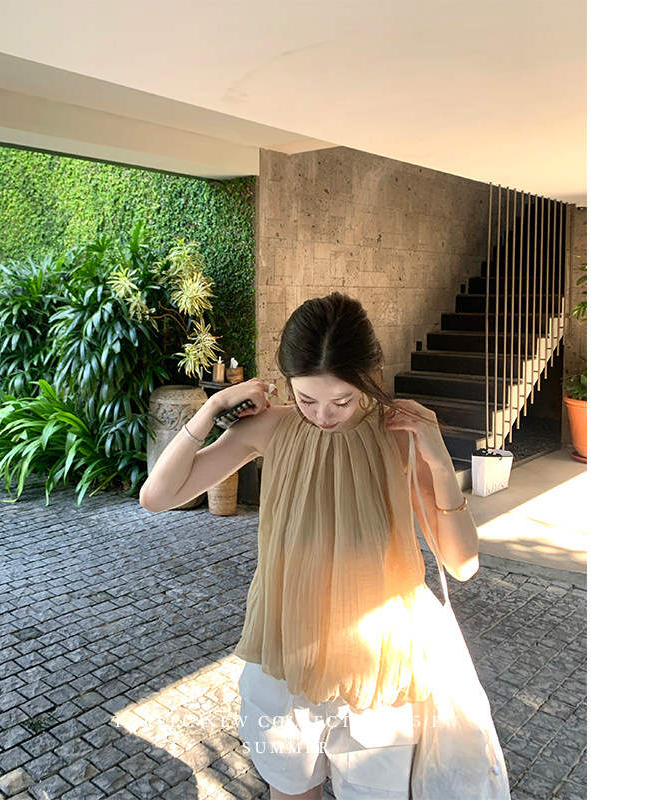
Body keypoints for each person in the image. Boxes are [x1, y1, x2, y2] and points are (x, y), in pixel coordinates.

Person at [140, 293, 484, 800]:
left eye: (342, 400)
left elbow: (462, 564)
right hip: (284, 657)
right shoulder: (270, 428)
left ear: (369, 376)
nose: (324, 415)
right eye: (307, 399)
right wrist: (212, 407)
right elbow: (157, 496)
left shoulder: (400, 435)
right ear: (286, 385)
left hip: (380, 669)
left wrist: (438, 460)